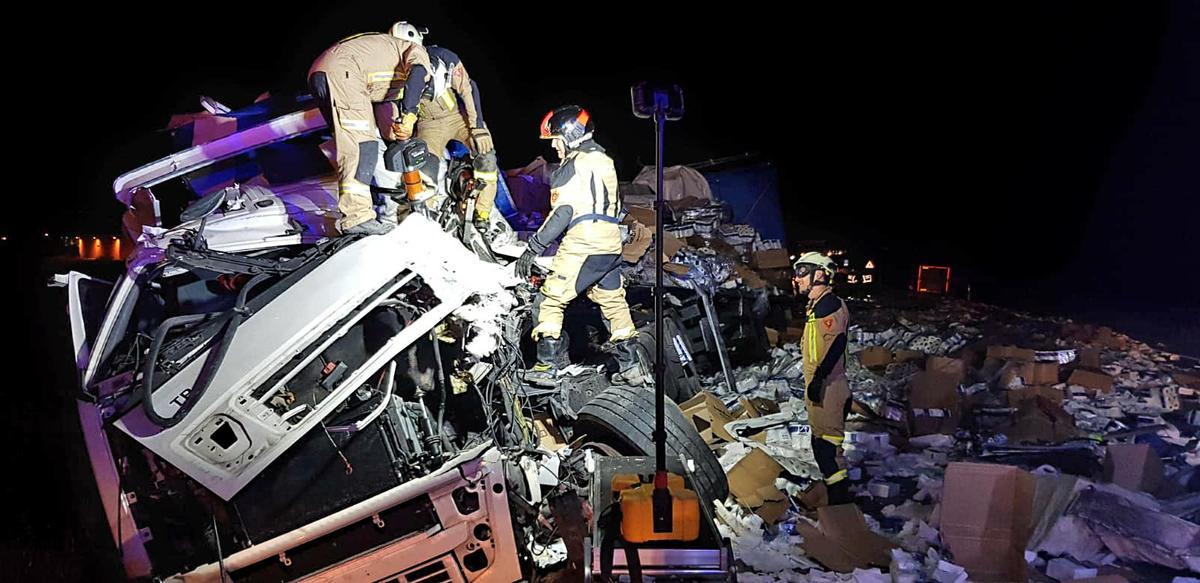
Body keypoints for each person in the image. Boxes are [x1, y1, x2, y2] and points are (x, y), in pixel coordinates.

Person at [517, 106, 644, 386]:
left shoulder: (570, 166)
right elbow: (616, 206)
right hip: (611, 242)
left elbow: (562, 213)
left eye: (555, 139)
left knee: (549, 299)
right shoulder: (604, 160)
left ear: (570, 135)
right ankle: (631, 366)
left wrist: (533, 248)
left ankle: (545, 368)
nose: (554, 146)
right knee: (613, 304)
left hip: (584, 241)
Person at [308, 30, 432, 235]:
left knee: (354, 143)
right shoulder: (419, 53)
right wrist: (410, 114)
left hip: (328, 72)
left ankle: (357, 211)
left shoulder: (383, 65)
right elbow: (418, 75)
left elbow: (386, 112)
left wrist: (397, 131)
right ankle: (357, 218)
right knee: (363, 146)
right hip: (344, 71)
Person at [382, 22, 499, 230]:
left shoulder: (443, 57)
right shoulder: (391, 72)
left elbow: (468, 89)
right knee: (423, 169)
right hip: (428, 127)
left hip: (458, 118)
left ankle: (482, 214)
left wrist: (477, 126)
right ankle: (427, 217)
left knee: (486, 157)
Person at [793, 252, 853, 505]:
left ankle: (841, 505)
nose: (797, 278)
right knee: (819, 447)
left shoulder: (829, 305)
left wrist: (819, 378)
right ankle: (833, 500)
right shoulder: (815, 307)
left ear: (820, 274)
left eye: (802, 272)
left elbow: (837, 343)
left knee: (829, 450)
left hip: (830, 387)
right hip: (819, 387)